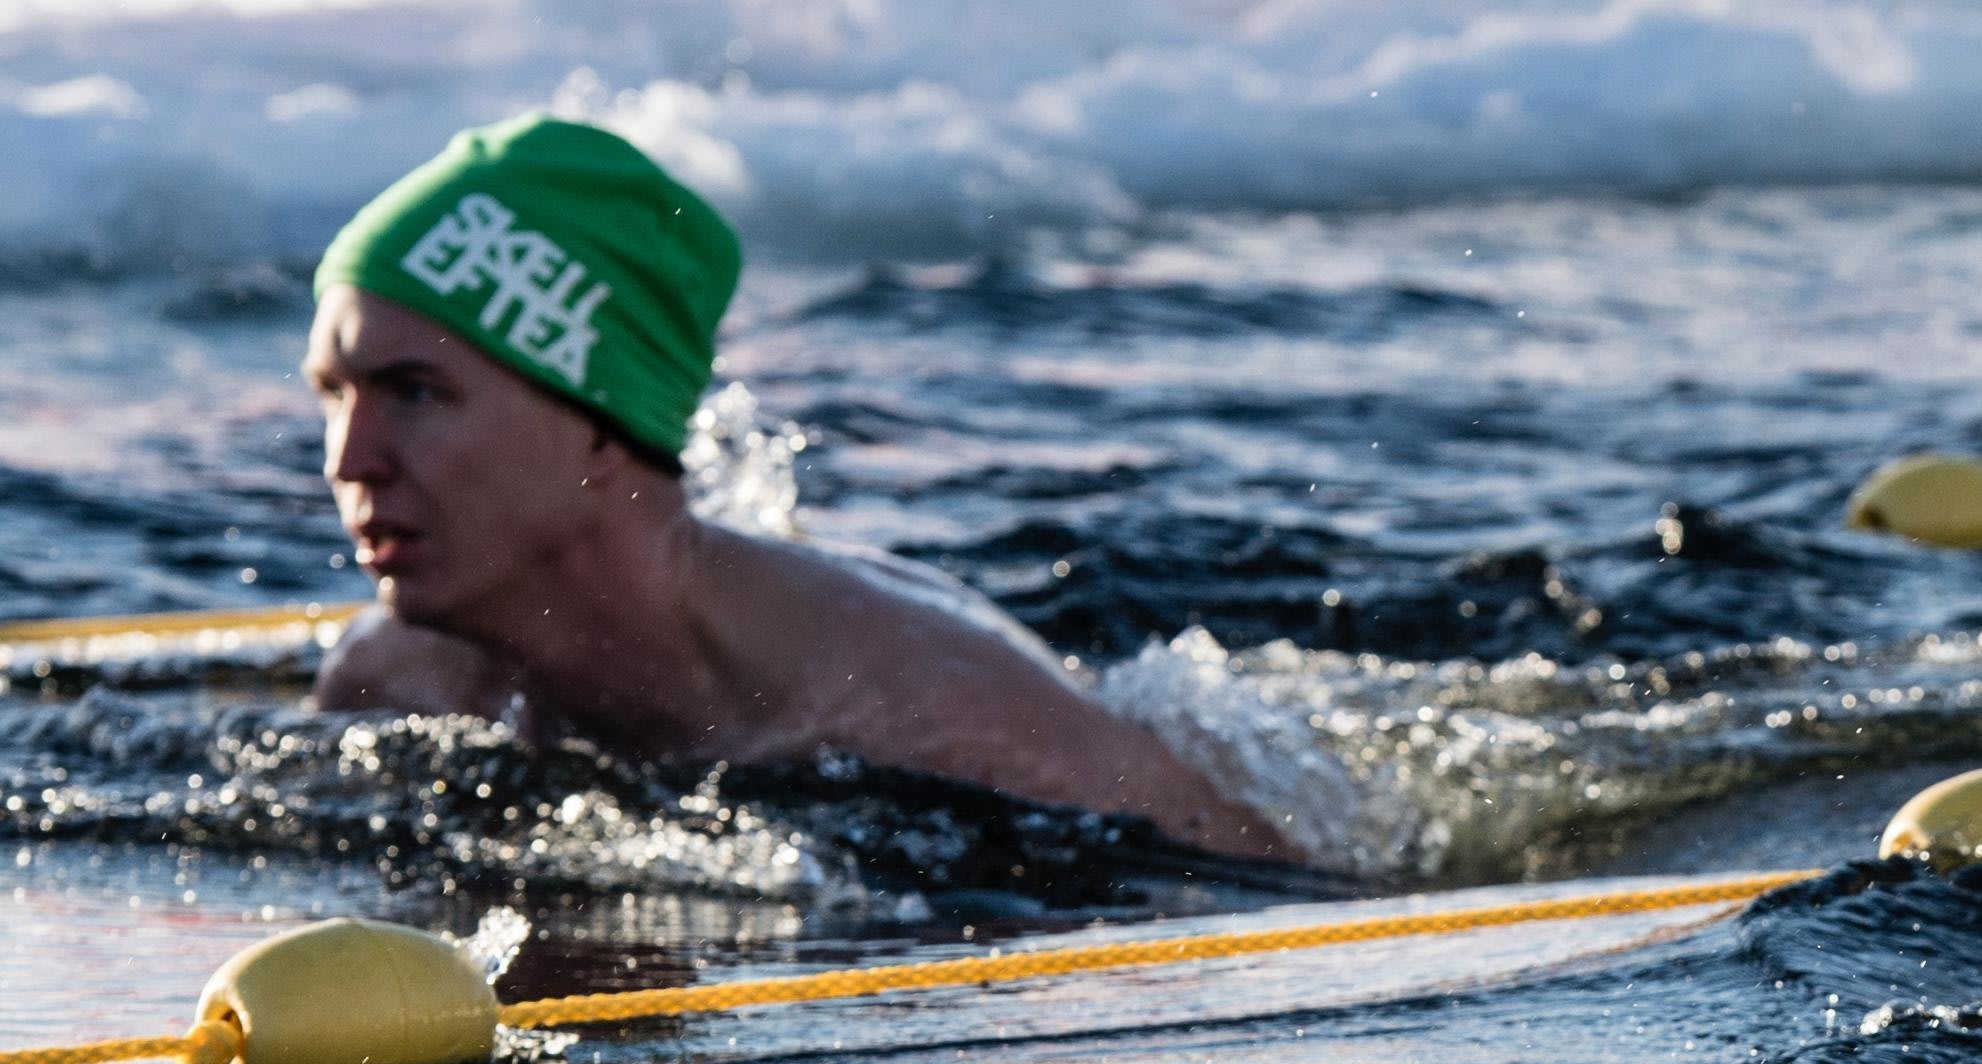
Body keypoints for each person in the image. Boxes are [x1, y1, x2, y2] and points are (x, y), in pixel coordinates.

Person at [301, 114, 1289, 861]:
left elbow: (1275, 894)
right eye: (335, 396)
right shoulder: (395, 681)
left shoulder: (926, 708)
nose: (352, 459)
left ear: (601, 431)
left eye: (416, 392)